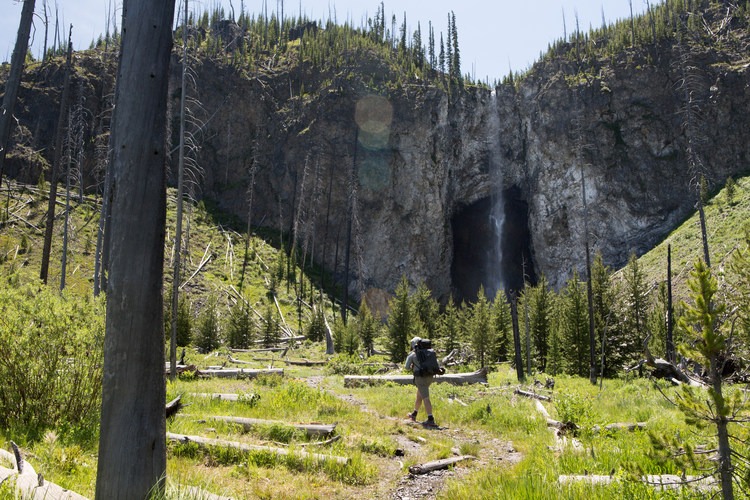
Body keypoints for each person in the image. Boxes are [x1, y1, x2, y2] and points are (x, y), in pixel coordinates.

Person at [404, 336, 437, 427]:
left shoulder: (413, 354)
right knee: (420, 395)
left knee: (425, 397)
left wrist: (412, 365)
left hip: (420, 378)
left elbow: (406, 367)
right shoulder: (429, 352)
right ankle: (414, 414)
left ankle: (430, 419)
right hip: (430, 376)